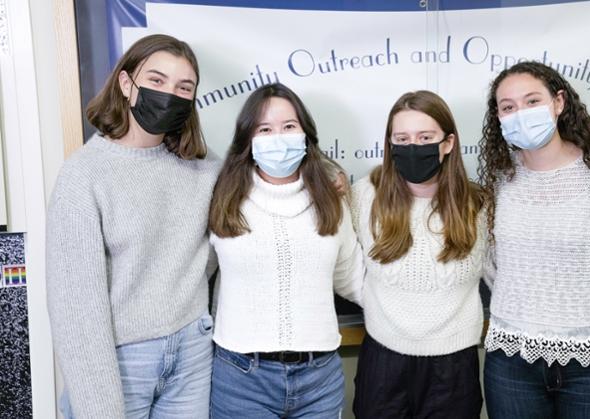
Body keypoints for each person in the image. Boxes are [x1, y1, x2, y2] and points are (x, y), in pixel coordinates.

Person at [46, 34, 220, 418]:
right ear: (126, 84)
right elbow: (76, 310)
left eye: (184, 87)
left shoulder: (203, 168)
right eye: (156, 80)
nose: (169, 94)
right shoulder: (84, 175)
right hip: (121, 359)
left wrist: (328, 173)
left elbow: (259, 182)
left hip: (192, 351)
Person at [478, 61, 590, 419]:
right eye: (508, 107)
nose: (521, 113)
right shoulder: (499, 181)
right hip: (511, 364)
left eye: (532, 101)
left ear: (559, 102)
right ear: (498, 117)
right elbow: (492, 265)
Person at [208, 83, 363, 418]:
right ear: (248, 139)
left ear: (306, 134)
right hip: (240, 378)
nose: (277, 138)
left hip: (319, 379)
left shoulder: (330, 200)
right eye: (264, 129)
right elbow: (194, 276)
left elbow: (353, 279)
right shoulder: (222, 196)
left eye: (289, 126)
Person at [351, 90, 487, 419]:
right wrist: (375, 302)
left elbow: (500, 271)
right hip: (383, 359)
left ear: (448, 143)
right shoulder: (365, 196)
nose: (413, 147)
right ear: (390, 143)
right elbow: (342, 263)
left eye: (425, 137)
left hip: (454, 366)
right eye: (402, 138)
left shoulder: (478, 205)